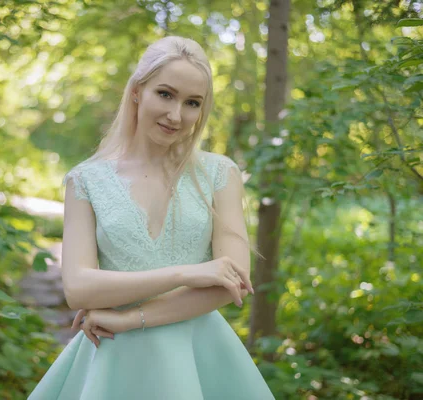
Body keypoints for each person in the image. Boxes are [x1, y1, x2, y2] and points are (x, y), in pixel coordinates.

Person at [28, 35, 275, 400]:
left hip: (196, 354)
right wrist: (185, 273)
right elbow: (78, 287)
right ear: (137, 91)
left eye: (192, 103)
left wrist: (130, 319)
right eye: (165, 94)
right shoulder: (85, 180)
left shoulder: (221, 174)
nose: (176, 115)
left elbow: (232, 284)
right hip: (115, 360)